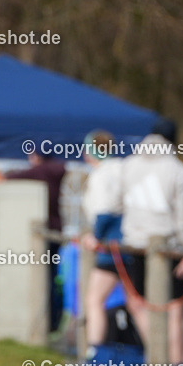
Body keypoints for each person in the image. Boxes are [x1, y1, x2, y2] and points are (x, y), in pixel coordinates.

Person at [119, 119, 183, 366]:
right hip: (168, 247)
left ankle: (158, 359)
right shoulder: (178, 171)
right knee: (172, 311)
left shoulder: (129, 164)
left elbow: (122, 202)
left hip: (136, 246)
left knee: (138, 303)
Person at [1, 147, 66, 334]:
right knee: (52, 278)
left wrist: (5, 177)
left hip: (47, 233)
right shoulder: (54, 171)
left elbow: (23, 174)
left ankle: (49, 322)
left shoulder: (42, 171)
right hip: (56, 231)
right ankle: (53, 321)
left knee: (45, 280)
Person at [79, 131, 124, 350]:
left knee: (93, 300)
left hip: (112, 246)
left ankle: (94, 353)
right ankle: (159, 361)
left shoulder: (101, 174)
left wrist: (95, 236)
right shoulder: (124, 169)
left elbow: (104, 212)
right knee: (136, 304)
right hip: (127, 243)